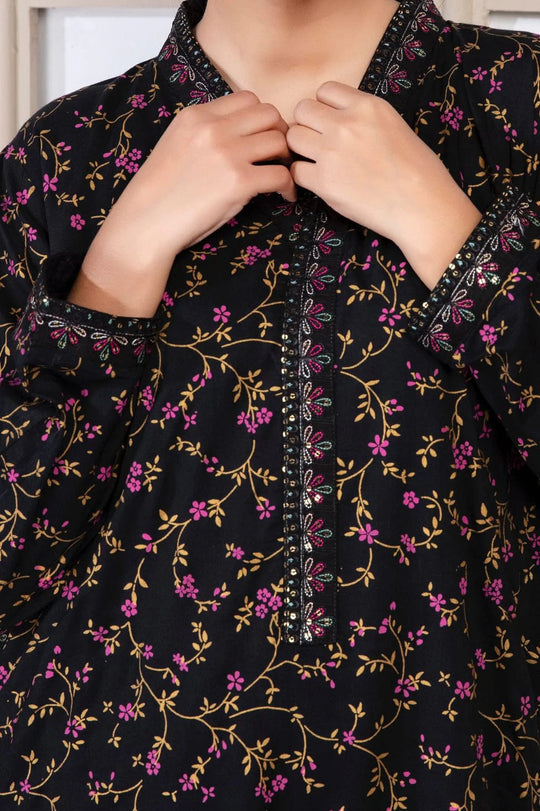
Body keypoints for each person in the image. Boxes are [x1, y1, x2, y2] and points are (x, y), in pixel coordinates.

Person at [0, 0, 539, 807]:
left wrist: (449, 232)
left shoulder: (519, 108)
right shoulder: (64, 154)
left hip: (460, 766)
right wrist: (120, 259)